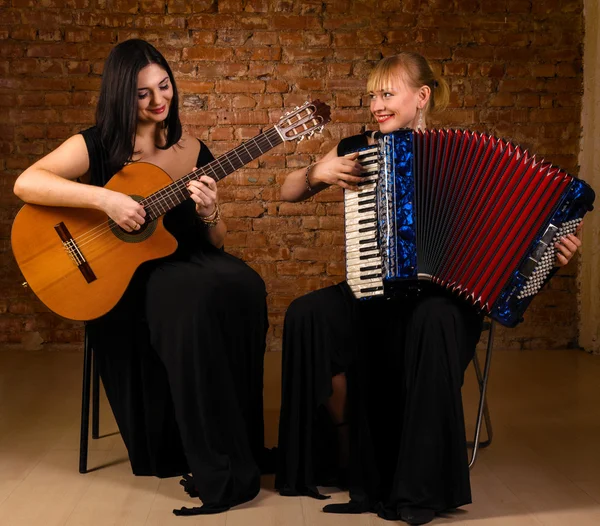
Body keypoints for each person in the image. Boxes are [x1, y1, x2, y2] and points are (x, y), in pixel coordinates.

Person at [275, 52, 582, 525]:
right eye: (372, 94)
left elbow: (519, 243)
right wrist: (317, 173)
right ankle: (338, 454)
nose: (377, 104)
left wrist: (549, 257)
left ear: (421, 98)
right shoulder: (359, 148)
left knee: (431, 318)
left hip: (448, 298)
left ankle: (417, 487)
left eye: (387, 93)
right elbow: (288, 191)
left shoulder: (468, 157)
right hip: (377, 285)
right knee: (307, 312)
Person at [13, 39, 269, 516]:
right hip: (127, 279)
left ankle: (239, 445)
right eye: (142, 93)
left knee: (246, 287)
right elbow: (26, 182)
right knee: (192, 300)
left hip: (187, 262)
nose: (158, 101)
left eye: (164, 86)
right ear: (120, 95)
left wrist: (211, 212)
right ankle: (198, 454)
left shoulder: (194, 149)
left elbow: (214, 242)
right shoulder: (95, 144)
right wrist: (106, 200)